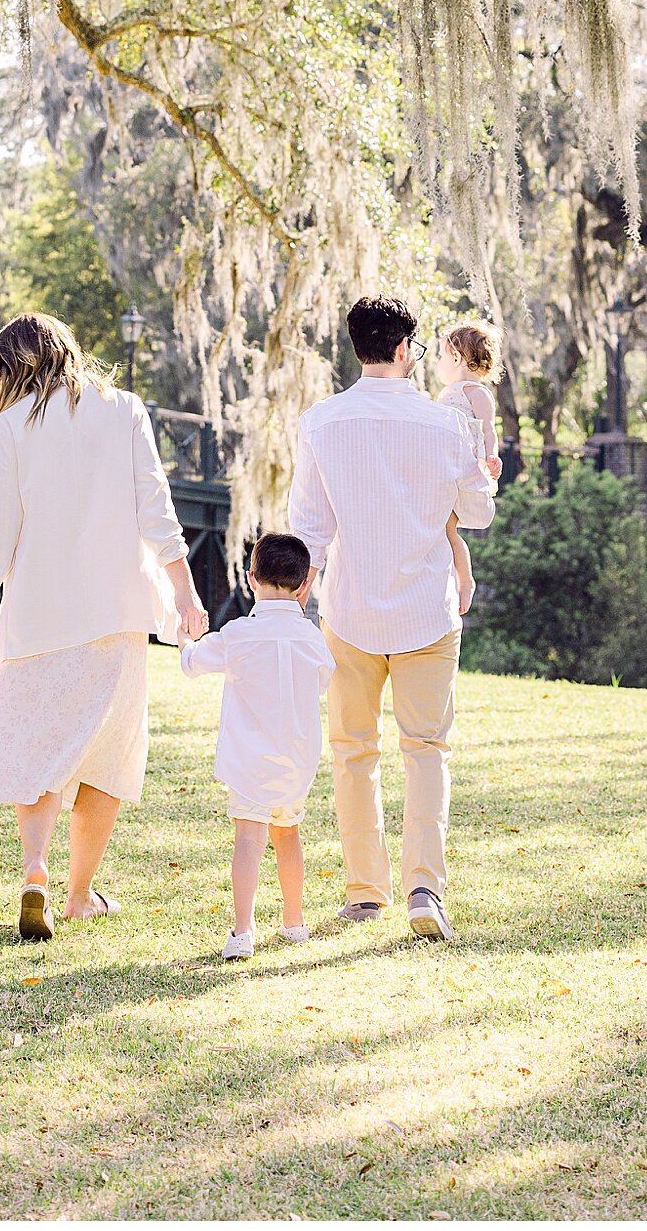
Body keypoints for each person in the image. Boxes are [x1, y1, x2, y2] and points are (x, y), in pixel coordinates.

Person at [0, 313, 208, 943]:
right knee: (106, 760)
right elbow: (156, 511)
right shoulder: (125, 410)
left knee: (38, 750)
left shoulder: (11, 425)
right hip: (116, 613)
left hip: (37, 616)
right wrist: (186, 596)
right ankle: (80, 893)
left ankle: (35, 868)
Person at [289, 293, 495, 943]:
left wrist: (297, 594)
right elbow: (481, 515)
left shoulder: (322, 421)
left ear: (357, 347)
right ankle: (424, 889)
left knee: (353, 752)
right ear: (407, 349)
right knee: (426, 750)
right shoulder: (445, 424)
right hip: (426, 613)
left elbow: (308, 526)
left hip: (349, 610)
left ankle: (365, 893)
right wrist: (478, 480)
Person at [179, 528, 333, 960]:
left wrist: (186, 638)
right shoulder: (311, 637)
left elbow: (192, 664)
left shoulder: (239, 634)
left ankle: (242, 931)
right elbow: (324, 680)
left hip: (250, 760)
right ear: (305, 585)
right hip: (296, 759)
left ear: (251, 578)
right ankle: (294, 922)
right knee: (288, 835)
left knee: (249, 839)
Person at [438, 320, 503, 618]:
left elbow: (489, 430)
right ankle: (450, 580)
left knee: (450, 531)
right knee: (444, 529)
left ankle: (465, 580)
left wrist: (491, 455)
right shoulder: (446, 393)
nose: (439, 362)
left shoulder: (475, 392)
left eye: (441, 355)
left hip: (462, 470)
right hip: (443, 469)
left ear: (457, 357)